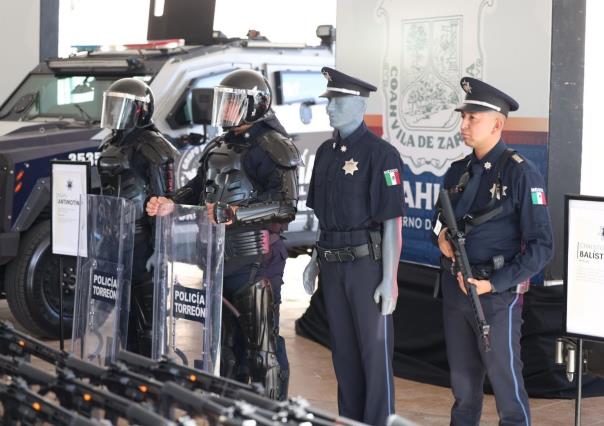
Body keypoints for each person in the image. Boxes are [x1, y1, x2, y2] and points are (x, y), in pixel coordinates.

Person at [146, 69, 299, 400]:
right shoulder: (220, 144)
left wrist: (236, 214)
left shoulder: (273, 146)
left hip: (256, 261)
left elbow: (287, 207)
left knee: (263, 349)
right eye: (224, 101)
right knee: (225, 349)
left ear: (252, 105)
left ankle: (271, 419)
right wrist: (170, 202)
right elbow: (198, 188)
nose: (224, 109)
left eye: (231, 102)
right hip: (215, 259)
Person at [432, 77, 554, 426]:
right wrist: (439, 239)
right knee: (463, 384)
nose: (464, 125)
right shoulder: (458, 172)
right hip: (457, 289)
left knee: (505, 384)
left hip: (496, 295)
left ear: (497, 124)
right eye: (464, 117)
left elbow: (541, 247)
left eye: (473, 118)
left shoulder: (520, 174)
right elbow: (436, 221)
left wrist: (495, 284)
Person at [302, 67, 404, 426]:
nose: (330, 108)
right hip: (332, 264)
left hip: (365, 267)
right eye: (329, 101)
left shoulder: (381, 155)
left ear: (360, 106)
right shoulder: (326, 153)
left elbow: (392, 222)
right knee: (343, 355)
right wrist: (315, 259)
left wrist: (389, 279)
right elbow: (323, 216)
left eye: (338, 101)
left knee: (374, 356)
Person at [97, 77, 178, 356]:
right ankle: (128, 378)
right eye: (112, 104)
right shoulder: (110, 143)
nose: (114, 112)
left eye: (121, 106)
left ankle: (152, 379)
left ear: (138, 110)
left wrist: (160, 250)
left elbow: (164, 200)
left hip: (143, 241)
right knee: (123, 317)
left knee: (148, 321)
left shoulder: (153, 146)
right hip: (114, 241)